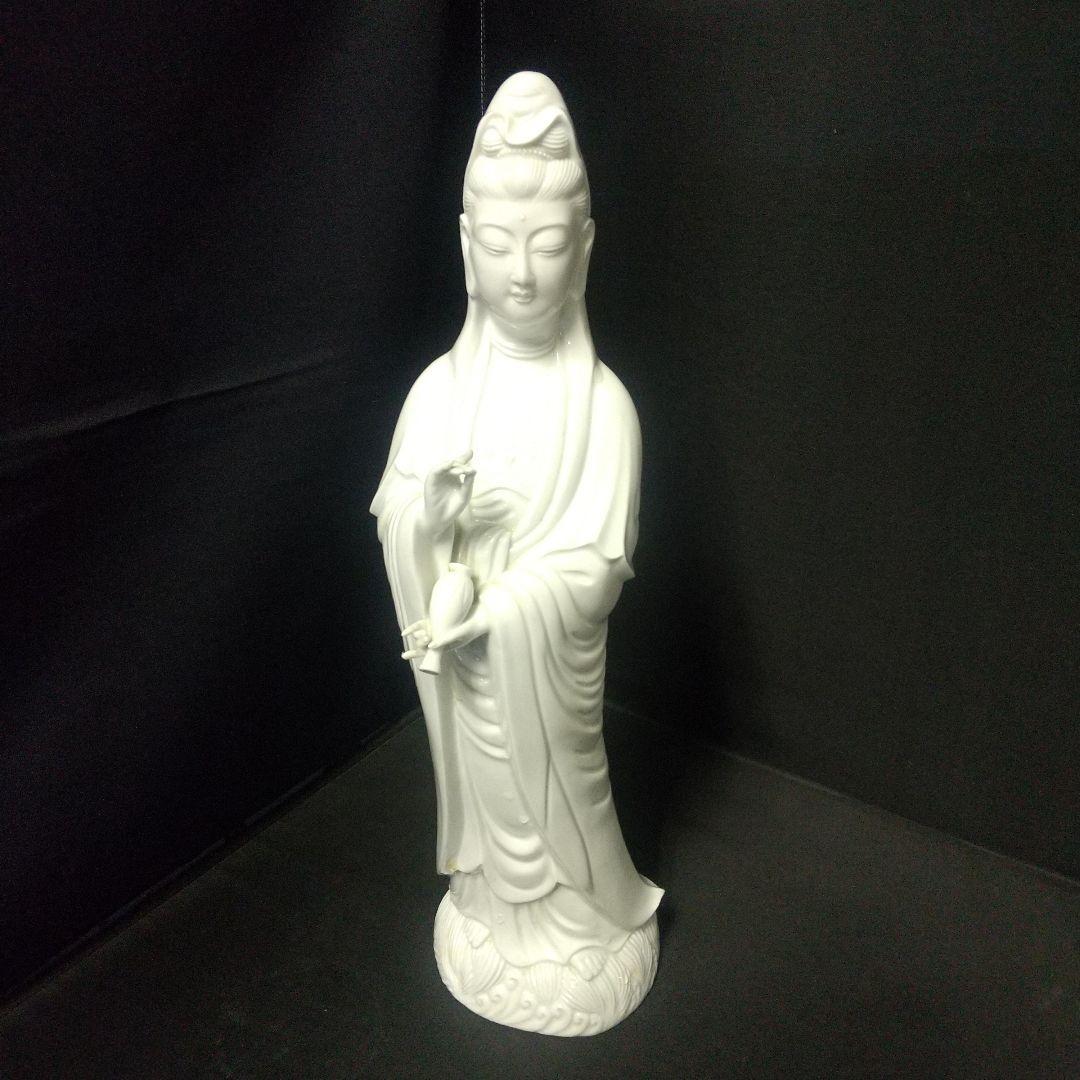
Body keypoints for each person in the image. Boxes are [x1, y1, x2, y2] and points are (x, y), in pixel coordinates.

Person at [371, 72, 662, 1034]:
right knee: (495, 841)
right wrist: (431, 524)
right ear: (467, 248)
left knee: (562, 801)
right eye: (499, 246)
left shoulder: (605, 409)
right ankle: (492, 918)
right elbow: (395, 518)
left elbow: (598, 569)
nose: (523, 274)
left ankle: (581, 931)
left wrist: (499, 610)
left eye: (547, 245)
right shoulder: (438, 393)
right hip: (473, 692)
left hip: (543, 684)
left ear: (585, 249)